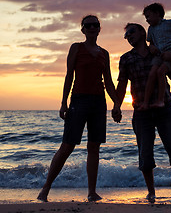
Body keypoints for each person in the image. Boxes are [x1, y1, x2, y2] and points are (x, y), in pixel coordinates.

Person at [37, 15, 121, 202]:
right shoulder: (76, 48)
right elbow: (69, 76)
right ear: (82, 29)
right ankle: (45, 188)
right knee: (68, 145)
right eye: (88, 25)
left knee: (94, 147)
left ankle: (91, 192)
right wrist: (63, 102)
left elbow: (108, 81)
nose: (92, 27)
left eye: (95, 25)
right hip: (79, 100)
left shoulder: (104, 53)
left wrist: (116, 103)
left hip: (99, 102)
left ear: (99, 29)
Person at [112, 23, 171, 203]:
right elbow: (122, 84)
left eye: (131, 32)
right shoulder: (126, 58)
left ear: (142, 32)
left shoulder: (158, 52)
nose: (128, 36)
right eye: (126, 35)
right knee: (145, 154)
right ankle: (151, 191)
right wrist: (117, 105)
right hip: (141, 111)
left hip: (165, 108)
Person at [139, 2, 171, 110]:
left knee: (161, 72)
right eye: (146, 17)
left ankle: (160, 100)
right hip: (159, 54)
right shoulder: (151, 29)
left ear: (157, 14)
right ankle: (146, 102)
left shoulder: (169, 23)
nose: (147, 20)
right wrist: (152, 47)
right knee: (152, 73)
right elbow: (150, 42)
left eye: (148, 16)